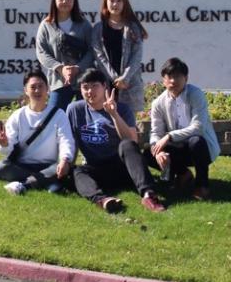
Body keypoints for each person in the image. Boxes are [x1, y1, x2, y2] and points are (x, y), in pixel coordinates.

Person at [66, 68, 165, 213]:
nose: (90, 91)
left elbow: (132, 140)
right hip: (97, 169)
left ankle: (148, 195)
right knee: (76, 171)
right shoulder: (74, 110)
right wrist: (67, 164)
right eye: (85, 87)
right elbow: (72, 141)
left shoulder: (122, 109)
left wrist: (113, 114)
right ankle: (102, 200)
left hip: (124, 169)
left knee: (127, 144)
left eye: (94, 86)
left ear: (104, 86)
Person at [147, 57, 220, 200]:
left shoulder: (196, 95)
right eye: (169, 76)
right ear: (163, 80)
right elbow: (156, 132)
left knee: (196, 141)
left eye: (177, 76)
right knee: (148, 153)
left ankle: (202, 186)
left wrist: (169, 136)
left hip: (201, 148)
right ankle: (183, 174)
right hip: (178, 148)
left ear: (186, 78)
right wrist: (158, 151)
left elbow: (198, 128)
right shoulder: (158, 103)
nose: (173, 81)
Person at [0, 69, 75, 195]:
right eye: (33, 87)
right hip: (22, 165)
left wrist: (65, 159)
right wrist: (4, 144)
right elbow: (6, 150)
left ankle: (24, 184)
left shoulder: (59, 115)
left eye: (40, 86)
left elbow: (66, 141)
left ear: (47, 88)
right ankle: (45, 182)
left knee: (63, 168)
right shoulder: (18, 115)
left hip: (49, 165)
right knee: (1, 167)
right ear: (26, 90)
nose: (37, 90)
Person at [35, 0, 94, 111]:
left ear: (74, 0)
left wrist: (78, 68)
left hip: (83, 81)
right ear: (54, 0)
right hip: (58, 81)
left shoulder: (83, 24)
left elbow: (92, 50)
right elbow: (41, 51)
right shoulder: (47, 25)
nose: (65, 1)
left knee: (85, 116)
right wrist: (60, 68)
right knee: (53, 115)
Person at [91, 0, 149, 114]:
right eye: (112, 0)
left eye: (119, 0)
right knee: (106, 122)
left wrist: (125, 78)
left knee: (128, 122)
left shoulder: (133, 28)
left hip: (129, 85)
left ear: (124, 3)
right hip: (106, 83)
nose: (115, 4)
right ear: (106, 2)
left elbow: (137, 56)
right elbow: (99, 56)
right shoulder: (98, 29)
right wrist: (115, 78)